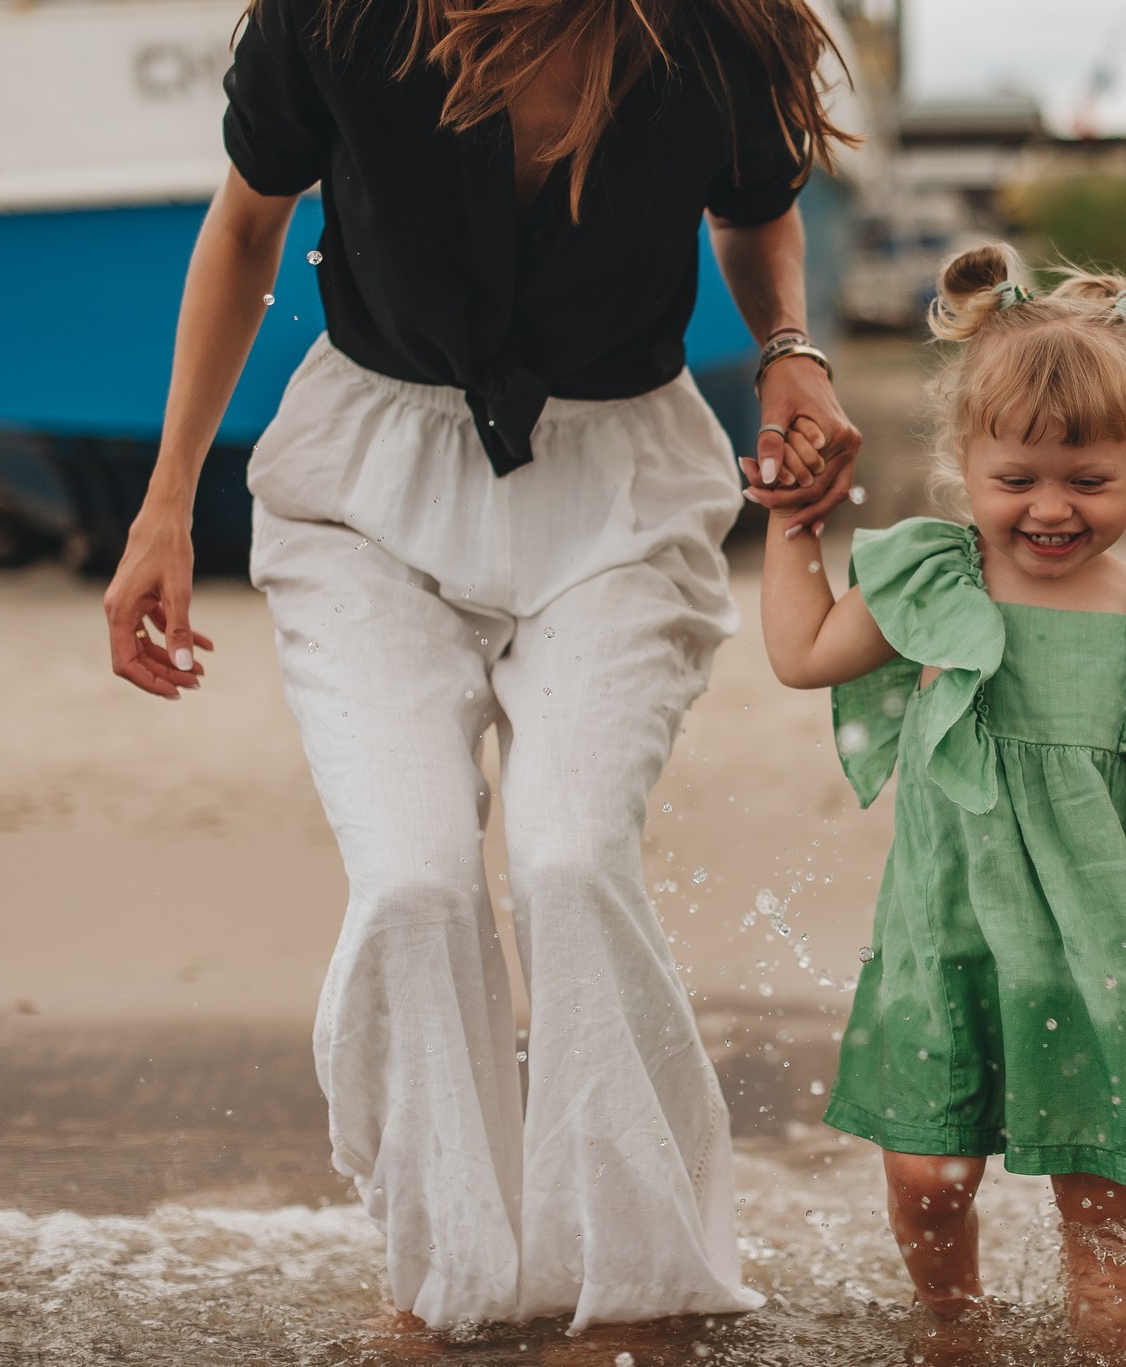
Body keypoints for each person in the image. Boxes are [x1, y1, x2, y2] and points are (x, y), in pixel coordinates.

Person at [100, 0, 861, 1332]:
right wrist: (167, 500)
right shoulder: (335, 22)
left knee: (570, 859)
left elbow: (753, 209)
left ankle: (637, 1285)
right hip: (363, 487)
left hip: (621, 485)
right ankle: (450, 1281)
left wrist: (790, 348)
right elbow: (243, 224)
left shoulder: (713, 33)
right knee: (411, 881)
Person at [758, 243, 1126, 1355]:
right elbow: (801, 654)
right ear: (962, 460)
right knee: (929, 1177)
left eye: (1088, 481)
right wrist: (793, 526)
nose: (1049, 508)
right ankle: (955, 1329)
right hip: (946, 943)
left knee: (1105, 1219)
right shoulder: (933, 580)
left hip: (1100, 964)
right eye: (1015, 478)